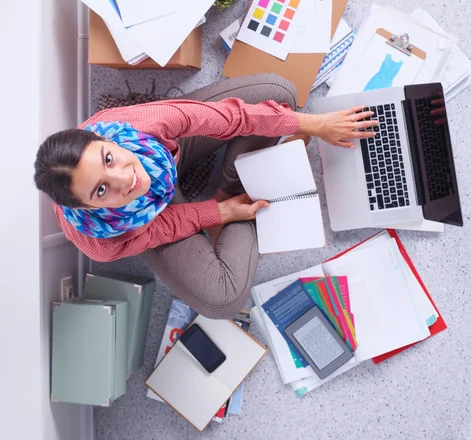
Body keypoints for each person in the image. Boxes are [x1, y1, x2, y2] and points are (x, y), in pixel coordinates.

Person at [34, 74, 377, 319]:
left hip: (169, 153)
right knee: (223, 299)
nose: (126, 178)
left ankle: (234, 180)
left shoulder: (136, 123)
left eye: (108, 159)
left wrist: (316, 125)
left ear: (103, 139)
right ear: (89, 207)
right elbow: (162, 228)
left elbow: (230, 116)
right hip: (155, 215)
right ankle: (241, 186)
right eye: (101, 190)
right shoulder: (102, 241)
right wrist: (221, 211)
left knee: (280, 91)